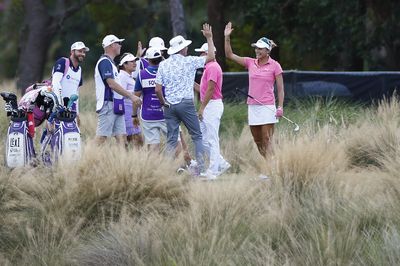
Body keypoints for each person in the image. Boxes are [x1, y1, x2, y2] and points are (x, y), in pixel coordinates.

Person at [155, 23, 216, 177]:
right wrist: (209, 38)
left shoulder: (163, 64)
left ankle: (167, 171)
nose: (187, 49)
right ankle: (201, 170)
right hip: (185, 103)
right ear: (182, 49)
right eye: (185, 47)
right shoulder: (189, 61)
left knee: (170, 140)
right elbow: (211, 57)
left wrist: (163, 103)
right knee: (197, 136)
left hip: (169, 105)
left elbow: (157, 89)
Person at [224, 22, 284, 158]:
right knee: (258, 141)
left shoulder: (275, 66)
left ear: (268, 51)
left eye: (260, 49)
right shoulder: (250, 62)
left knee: (267, 140)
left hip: (267, 106)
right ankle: (270, 165)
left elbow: (280, 90)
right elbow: (229, 55)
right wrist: (227, 37)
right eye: (256, 48)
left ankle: (272, 170)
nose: (257, 50)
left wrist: (280, 107)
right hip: (253, 107)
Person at [94, 34, 142, 145]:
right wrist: (131, 96)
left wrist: (138, 56)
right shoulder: (104, 62)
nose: (120, 45)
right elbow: (111, 84)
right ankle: (86, 160)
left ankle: (122, 162)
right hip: (108, 104)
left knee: (122, 139)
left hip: (116, 105)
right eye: (118, 43)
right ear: (111, 45)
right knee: (101, 137)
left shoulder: (110, 63)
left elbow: (131, 71)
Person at [195, 43, 231, 177]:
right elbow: (204, 90)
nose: (200, 56)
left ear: (207, 53)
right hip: (209, 104)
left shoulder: (213, 67)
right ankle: (221, 163)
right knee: (203, 138)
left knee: (212, 139)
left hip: (212, 105)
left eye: (202, 53)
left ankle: (213, 170)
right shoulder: (208, 67)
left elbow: (210, 89)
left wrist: (202, 107)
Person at [52, 41, 89, 126]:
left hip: (71, 107)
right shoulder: (63, 62)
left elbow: (76, 92)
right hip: (58, 105)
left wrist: (77, 113)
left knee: (71, 135)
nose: (82, 54)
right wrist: (58, 105)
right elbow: (55, 83)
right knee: (55, 132)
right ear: (72, 52)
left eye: (84, 52)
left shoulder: (79, 70)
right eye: (80, 51)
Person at [117, 52, 144, 148]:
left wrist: (139, 56)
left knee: (129, 141)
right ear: (124, 64)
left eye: (135, 61)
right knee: (137, 139)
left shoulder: (128, 76)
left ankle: (128, 160)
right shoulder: (122, 76)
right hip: (127, 112)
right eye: (131, 61)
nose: (134, 63)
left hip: (131, 112)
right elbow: (120, 94)